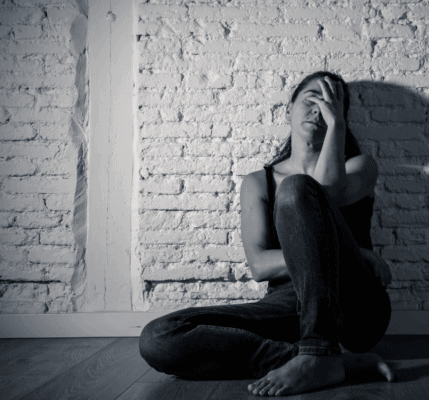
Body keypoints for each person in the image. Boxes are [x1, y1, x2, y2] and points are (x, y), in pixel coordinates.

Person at [138, 71, 394, 396]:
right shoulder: (257, 183)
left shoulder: (360, 166)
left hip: (354, 303)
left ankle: (317, 352)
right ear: (289, 109)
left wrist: (337, 128)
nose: (319, 110)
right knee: (159, 337)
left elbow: (322, 190)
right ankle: (328, 361)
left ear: (340, 117)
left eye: (331, 104)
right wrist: (357, 253)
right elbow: (259, 265)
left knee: (297, 189)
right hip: (288, 305)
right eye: (312, 99)